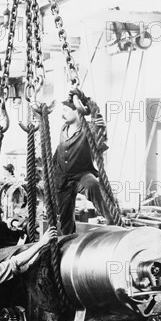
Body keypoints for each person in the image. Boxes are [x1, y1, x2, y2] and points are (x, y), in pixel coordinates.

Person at [53, 95, 108, 235]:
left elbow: (100, 145)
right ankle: (67, 240)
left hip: (81, 174)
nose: (62, 114)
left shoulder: (89, 128)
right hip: (62, 178)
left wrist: (101, 128)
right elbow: (60, 149)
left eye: (65, 110)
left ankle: (112, 220)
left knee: (93, 186)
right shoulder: (64, 128)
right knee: (64, 216)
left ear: (77, 111)